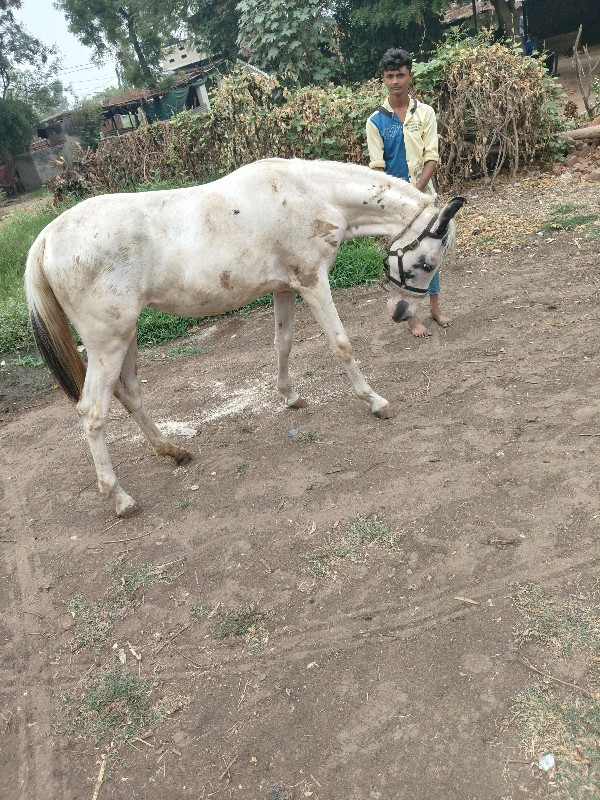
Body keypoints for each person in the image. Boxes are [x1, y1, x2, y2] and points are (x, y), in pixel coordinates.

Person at [366, 47, 452, 338]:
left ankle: (435, 309)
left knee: (430, 257)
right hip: (396, 205)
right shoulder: (375, 121)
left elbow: (432, 157)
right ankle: (412, 319)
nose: (395, 81)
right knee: (402, 262)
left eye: (400, 75)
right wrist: (397, 198)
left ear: (409, 76)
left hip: (425, 198)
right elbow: (377, 167)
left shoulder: (424, 113)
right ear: (383, 79)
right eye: (389, 76)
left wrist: (416, 192)